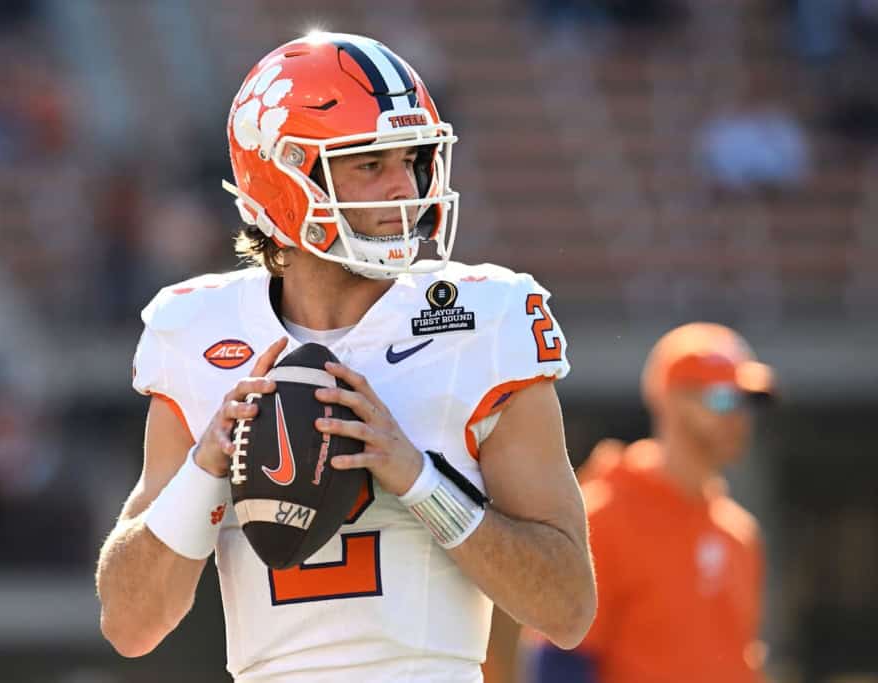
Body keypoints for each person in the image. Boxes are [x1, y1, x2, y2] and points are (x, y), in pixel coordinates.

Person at [95, 32, 596, 682]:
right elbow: (130, 623)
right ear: (285, 175)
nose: (403, 189)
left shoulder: (484, 318)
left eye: (411, 159)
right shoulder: (197, 330)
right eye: (369, 164)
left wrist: (420, 479)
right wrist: (206, 466)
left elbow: (568, 606)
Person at [526, 322, 774, 683]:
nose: (739, 418)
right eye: (722, 398)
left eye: (746, 402)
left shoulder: (740, 534)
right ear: (671, 401)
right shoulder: (603, 517)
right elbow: (558, 661)